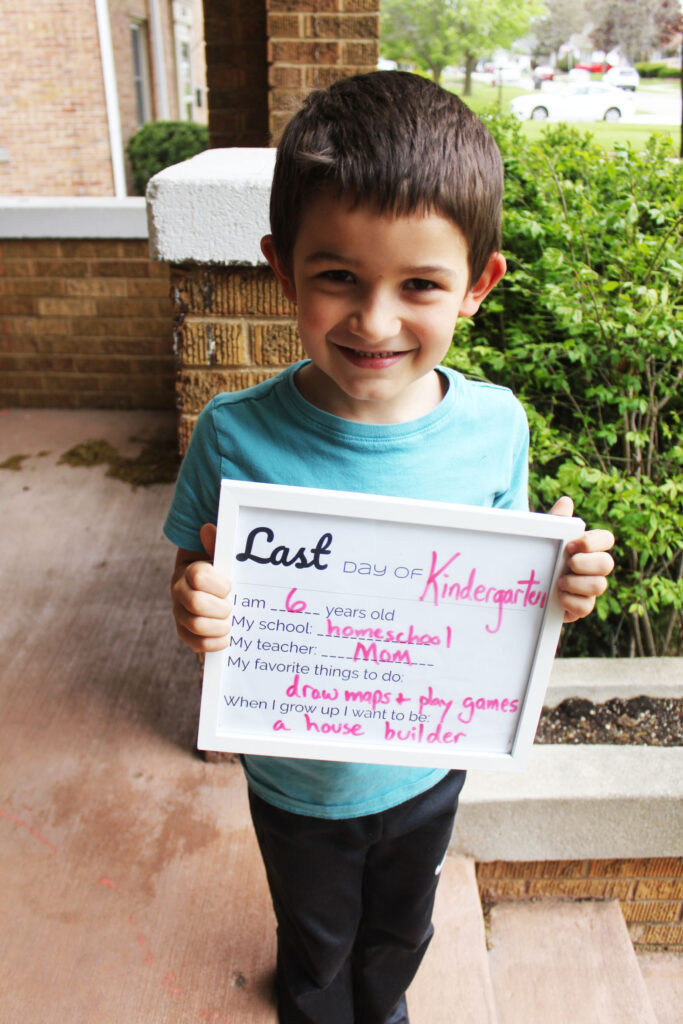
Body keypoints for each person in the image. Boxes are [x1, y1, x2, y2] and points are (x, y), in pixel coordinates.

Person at [164, 72, 614, 1024]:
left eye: (418, 285)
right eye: (338, 277)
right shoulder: (232, 434)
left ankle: (385, 1005)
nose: (374, 321)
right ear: (282, 269)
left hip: (429, 768)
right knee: (315, 934)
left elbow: (505, 595)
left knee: (402, 930)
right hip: (293, 781)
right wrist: (195, 601)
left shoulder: (495, 428)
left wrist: (559, 590)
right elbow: (194, 574)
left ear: (478, 284)